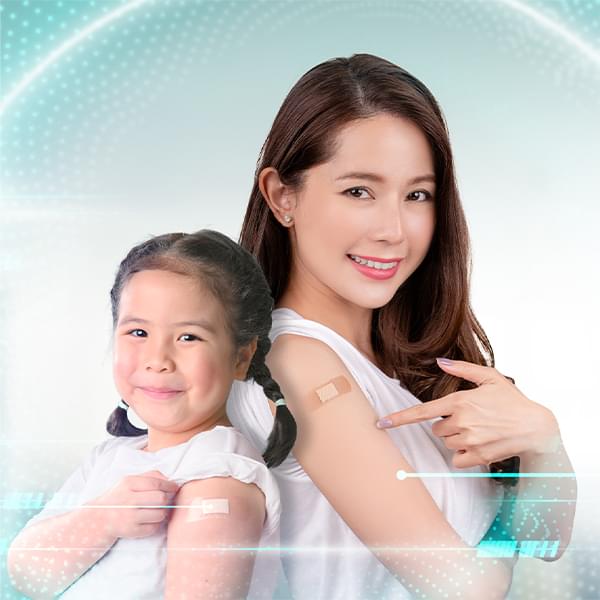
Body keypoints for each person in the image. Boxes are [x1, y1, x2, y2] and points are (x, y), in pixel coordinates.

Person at [228, 54, 577, 599]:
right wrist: (512, 526)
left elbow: (547, 539)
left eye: (417, 195)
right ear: (281, 196)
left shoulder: (401, 366)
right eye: (359, 191)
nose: (393, 230)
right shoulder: (294, 364)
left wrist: (542, 441)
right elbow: (464, 590)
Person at [7, 229, 297, 599]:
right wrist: (103, 519)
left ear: (241, 357)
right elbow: (28, 574)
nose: (158, 360)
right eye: (138, 331)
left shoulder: (218, 477)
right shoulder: (110, 458)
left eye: (189, 337)